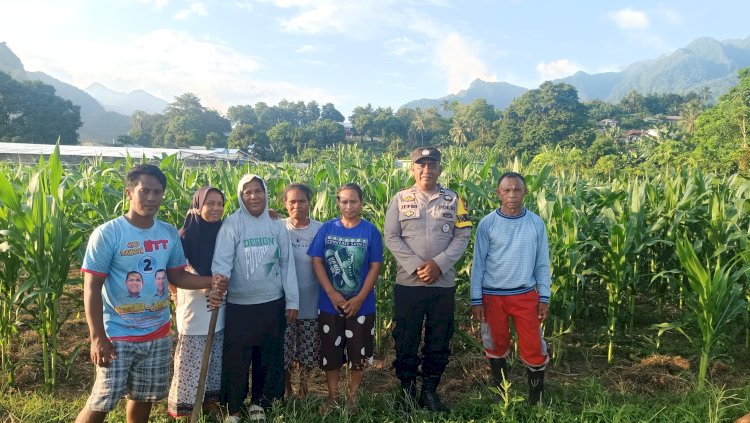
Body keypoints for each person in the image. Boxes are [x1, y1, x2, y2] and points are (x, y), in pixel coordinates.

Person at [75, 164, 226, 423]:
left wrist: (210, 280)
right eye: (145, 191)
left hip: (157, 333)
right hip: (118, 334)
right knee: (102, 401)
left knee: (143, 398)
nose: (151, 198)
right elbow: (92, 288)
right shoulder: (108, 234)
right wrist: (97, 337)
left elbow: (176, 276)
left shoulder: (167, 232)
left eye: (157, 192)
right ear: (129, 193)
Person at [383, 146, 472, 412]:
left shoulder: (455, 199)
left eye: (432, 165)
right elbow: (391, 237)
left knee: (439, 339)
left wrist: (439, 264)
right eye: (421, 165)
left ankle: (430, 391)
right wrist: (416, 266)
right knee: (406, 338)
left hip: (441, 284)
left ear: (440, 169)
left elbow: (462, 236)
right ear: (413, 169)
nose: (426, 170)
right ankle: (408, 391)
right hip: (408, 284)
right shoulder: (399, 199)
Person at [212, 174, 299, 423]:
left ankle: (259, 402)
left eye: (258, 191)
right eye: (247, 192)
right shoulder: (232, 224)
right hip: (240, 305)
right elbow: (223, 261)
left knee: (266, 356)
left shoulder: (276, 225)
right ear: (240, 196)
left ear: (266, 193)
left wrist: (292, 300)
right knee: (237, 359)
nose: (253, 196)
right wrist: (220, 287)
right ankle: (234, 407)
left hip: (272, 303)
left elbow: (286, 264)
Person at [470, 171, 551, 406]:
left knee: (533, 346)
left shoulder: (535, 223)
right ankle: (502, 394)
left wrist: (544, 296)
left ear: (525, 192)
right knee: (496, 344)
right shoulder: (488, 224)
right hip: (493, 296)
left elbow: (542, 263)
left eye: (517, 190)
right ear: (498, 193)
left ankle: (536, 399)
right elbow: (479, 264)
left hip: (525, 295)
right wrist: (476, 300)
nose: (512, 194)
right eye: (507, 190)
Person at [307, 183, 383, 415]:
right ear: (338, 202)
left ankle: (352, 398)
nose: (348, 206)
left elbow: (375, 266)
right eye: (344, 201)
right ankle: (332, 396)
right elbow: (317, 260)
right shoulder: (328, 229)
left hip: (362, 305)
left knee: (357, 354)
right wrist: (331, 293)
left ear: (361, 203)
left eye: (353, 201)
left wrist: (360, 298)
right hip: (329, 304)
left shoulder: (370, 231)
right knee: (330, 353)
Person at [167, 187, 227, 418]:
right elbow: (175, 272)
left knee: (215, 352)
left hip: (219, 301)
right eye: (210, 203)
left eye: (220, 203)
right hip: (193, 304)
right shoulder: (184, 236)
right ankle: (186, 407)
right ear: (197, 205)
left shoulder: (223, 231)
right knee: (191, 357)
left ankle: (210, 402)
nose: (216, 208)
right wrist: (204, 286)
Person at [281, 183, 322, 399]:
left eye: (302, 201)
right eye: (292, 201)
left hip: (312, 301)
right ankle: (287, 389)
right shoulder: (278, 227)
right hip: (285, 302)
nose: (297, 205)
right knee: (285, 350)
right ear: (285, 204)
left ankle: (304, 388)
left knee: (308, 350)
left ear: (309, 203)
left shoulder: (320, 229)